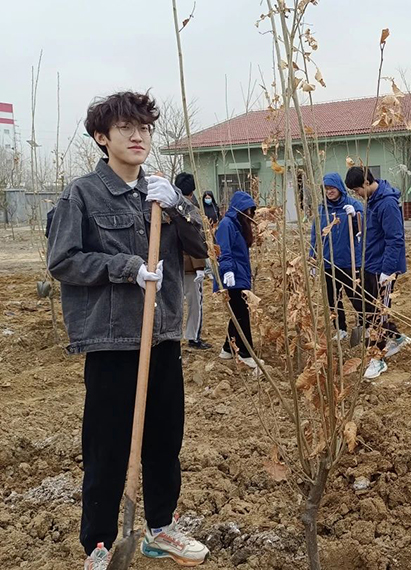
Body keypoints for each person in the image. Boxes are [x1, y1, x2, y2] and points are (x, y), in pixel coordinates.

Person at [46, 91, 210, 569]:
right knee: (107, 444)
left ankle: (160, 528)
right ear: (102, 137)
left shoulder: (158, 193)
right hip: (113, 339)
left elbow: (200, 248)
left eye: (145, 129)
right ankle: (98, 544)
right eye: (125, 129)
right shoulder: (82, 194)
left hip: (161, 336)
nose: (138, 137)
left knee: (165, 438)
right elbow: (64, 260)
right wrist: (126, 266)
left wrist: (179, 205)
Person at [344, 166, 411, 379]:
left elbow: (395, 239)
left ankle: (377, 359)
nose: (357, 195)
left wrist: (387, 271)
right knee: (373, 309)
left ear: (366, 183)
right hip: (372, 264)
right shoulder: (373, 201)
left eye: (357, 190)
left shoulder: (387, 203)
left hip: (383, 268)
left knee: (378, 312)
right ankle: (397, 338)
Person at [310, 172, 365, 341]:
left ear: (339, 188)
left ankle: (364, 325)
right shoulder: (321, 210)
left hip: (349, 261)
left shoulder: (353, 204)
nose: (329, 191)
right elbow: (315, 236)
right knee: (333, 299)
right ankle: (340, 328)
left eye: (332, 188)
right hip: (328, 262)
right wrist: (313, 259)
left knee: (356, 295)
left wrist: (355, 216)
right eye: (326, 189)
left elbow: (363, 229)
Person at [214, 190, 260, 370]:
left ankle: (227, 348)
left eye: (251, 210)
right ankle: (246, 354)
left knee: (237, 313)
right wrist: (227, 271)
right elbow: (223, 249)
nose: (249, 214)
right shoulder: (227, 224)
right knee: (242, 314)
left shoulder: (239, 224)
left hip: (240, 275)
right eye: (246, 210)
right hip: (232, 276)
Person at [175, 172, 211, 350]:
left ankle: (172, 335)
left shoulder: (166, 207)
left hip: (170, 266)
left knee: (173, 302)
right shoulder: (190, 210)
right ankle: (193, 337)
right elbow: (196, 240)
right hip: (189, 266)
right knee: (194, 303)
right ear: (192, 191)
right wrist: (200, 266)